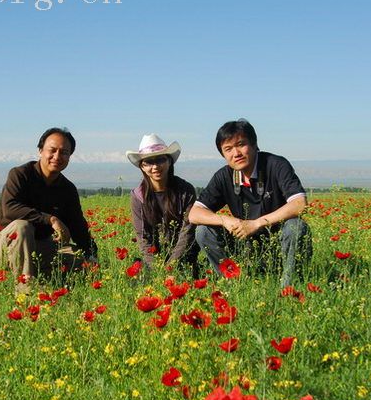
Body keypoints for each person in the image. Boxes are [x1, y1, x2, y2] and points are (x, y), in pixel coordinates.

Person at [188, 119, 312, 287]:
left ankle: (290, 289)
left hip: (278, 243)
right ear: (223, 155)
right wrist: (225, 220)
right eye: (228, 149)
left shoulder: (275, 165)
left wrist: (257, 223)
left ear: (254, 145)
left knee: (296, 227)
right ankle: (235, 286)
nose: (236, 153)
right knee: (203, 231)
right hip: (245, 246)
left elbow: (299, 203)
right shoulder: (224, 176)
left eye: (241, 144)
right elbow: (194, 214)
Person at [0, 127, 97, 293]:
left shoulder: (67, 189)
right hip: (4, 246)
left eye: (64, 152)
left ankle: (44, 279)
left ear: (69, 157)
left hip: (40, 248)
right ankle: (25, 288)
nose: (57, 157)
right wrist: (50, 219)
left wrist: (93, 256)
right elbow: (10, 209)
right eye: (52, 150)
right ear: (40, 151)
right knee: (22, 226)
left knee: (82, 261)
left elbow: (78, 226)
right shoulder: (20, 175)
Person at [126, 134, 199, 277]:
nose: (155, 167)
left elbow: (187, 232)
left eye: (160, 160)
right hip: (154, 259)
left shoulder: (185, 191)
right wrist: (159, 270)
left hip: (183, 256)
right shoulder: (138, 196)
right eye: (148, 162)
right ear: (142, 166)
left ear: (169, 161)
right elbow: (143, 237)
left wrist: (172, 266)